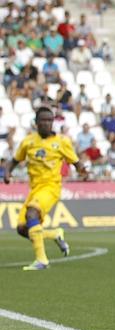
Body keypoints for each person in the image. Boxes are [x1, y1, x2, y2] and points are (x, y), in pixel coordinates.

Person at [3, 106, 88, 271]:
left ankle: (42, 260)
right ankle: (54, 234)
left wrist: (83, 171)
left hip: (51, 187)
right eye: (43, 120)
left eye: (50, 120)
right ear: (36, 122)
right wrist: (7, 173)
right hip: (34, 189)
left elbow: (77, 163)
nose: (47, 123)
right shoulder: (28, 142)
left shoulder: (61, 142)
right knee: (22, 228)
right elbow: (13, 161)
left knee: (32, 213)